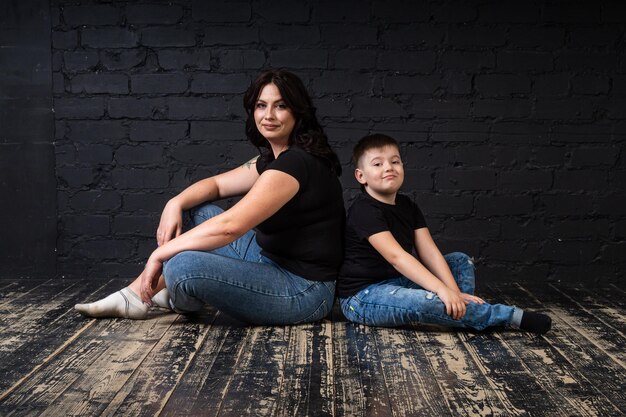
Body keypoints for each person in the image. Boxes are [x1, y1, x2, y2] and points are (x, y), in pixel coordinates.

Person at [75, 69, 345, 325]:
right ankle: (142, 294)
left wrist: (159, 254)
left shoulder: (295, 164)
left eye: (281, 106)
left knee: (182, 265)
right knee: (196, 211)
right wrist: (175, 203)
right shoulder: (276, 158)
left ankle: (169, 295)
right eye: (261, 105)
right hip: (269, 259)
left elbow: (231, 227)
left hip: (304, 290)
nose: (269, 115)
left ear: (298, 112)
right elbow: (216, 185)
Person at [337, 134, 551, 333]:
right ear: (361, 176)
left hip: (399, 282)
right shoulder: (364, 210)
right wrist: (441, 289)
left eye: (395, 161)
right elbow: (398, 258)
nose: (389, 167)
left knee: (460, 261)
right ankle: (508, 316)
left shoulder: (407, 205)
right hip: (363, 297)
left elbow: (429, 252)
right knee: (428, 301)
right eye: (378, 164)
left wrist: (453, 290)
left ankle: (456, 307)